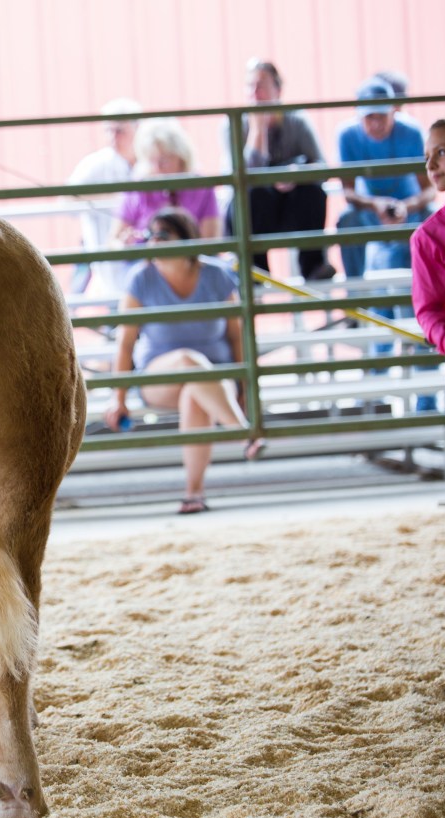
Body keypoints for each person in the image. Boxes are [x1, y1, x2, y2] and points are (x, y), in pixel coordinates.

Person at [103, 208, 263, 515]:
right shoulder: (141, 278)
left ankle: (194, 494)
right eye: (150, 235)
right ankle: (243, 432)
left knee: (195, 391)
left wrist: (245, 387)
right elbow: (125, 344)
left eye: (163, 235)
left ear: (186, 239)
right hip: (159, 377)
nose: (154, 241)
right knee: (189, 361)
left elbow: (237, 337)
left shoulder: (217, 275)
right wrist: (118, 397)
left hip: (217, 377)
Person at [224, 59, 336, 281]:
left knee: (313, 193)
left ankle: (313, 267)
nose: (255, 93)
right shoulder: (234, 126)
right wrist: (258, 131)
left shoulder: (297, 121)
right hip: (257, 211)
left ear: (278, 90)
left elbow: (322, 168)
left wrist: (296, 174)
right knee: (250, 195)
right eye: (250, 86)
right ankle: (255, 272)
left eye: (261, 86)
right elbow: (239, 177)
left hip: (292, 206)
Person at [336, 76, 435, 277]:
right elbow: (348, 191)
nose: (376, 123)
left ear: (394, 111)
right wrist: (375, 205)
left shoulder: (412, 132)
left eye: (382, 116)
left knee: (433, 218)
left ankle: (434, 284)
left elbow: (429, 190)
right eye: (369, 117)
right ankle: (355, 289)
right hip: (370, 211)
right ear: (359, 116)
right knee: (347, 220)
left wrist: (405, 207)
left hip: (410, 209)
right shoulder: (346, 135)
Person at [112, 118, 222, 254]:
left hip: (191, 262)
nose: (157, 167)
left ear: (181, 157)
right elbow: (114, 241)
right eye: (151, 161)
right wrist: (125, 244)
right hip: (145, 262)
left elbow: (210, 242)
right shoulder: (137, 187)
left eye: (164, 160)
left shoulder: (202, 186)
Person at [68, 97, 141, 297]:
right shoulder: (95, 165)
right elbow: (67, 201)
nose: (112, 137)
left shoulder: (150, 163)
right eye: (108, 130)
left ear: (137, 129)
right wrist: (106, 196)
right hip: (106, 259)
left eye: (120, 131)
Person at [411, 119, 445, 355]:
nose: (430, 165)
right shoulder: (428, 238)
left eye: (441, 152)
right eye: (426, 157)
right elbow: (429, 311)